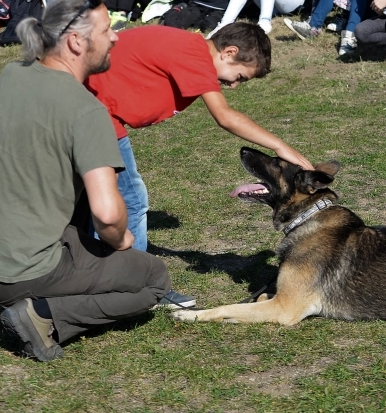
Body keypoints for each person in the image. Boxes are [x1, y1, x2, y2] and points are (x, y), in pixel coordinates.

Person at [0, 0, 172, 362]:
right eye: (106, 30)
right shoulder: (86, 111)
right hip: (11, 271)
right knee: (153, 278)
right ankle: (43, 315)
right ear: (76, 41)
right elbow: (107, 214)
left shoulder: (12, 74)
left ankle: (44, 293)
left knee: (79, 236)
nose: (116, 35)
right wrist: (120, 239)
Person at [83, 23, 313, 297]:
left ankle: (89, 272)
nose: (234, 85)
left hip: (86, 111)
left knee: (91, 200)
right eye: (239, 76)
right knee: (129, 201)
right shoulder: (195, 53)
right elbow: (224, 117)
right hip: (94, 117)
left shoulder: (188, 47)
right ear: (229, 52)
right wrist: (280, 146)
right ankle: (131, 286)